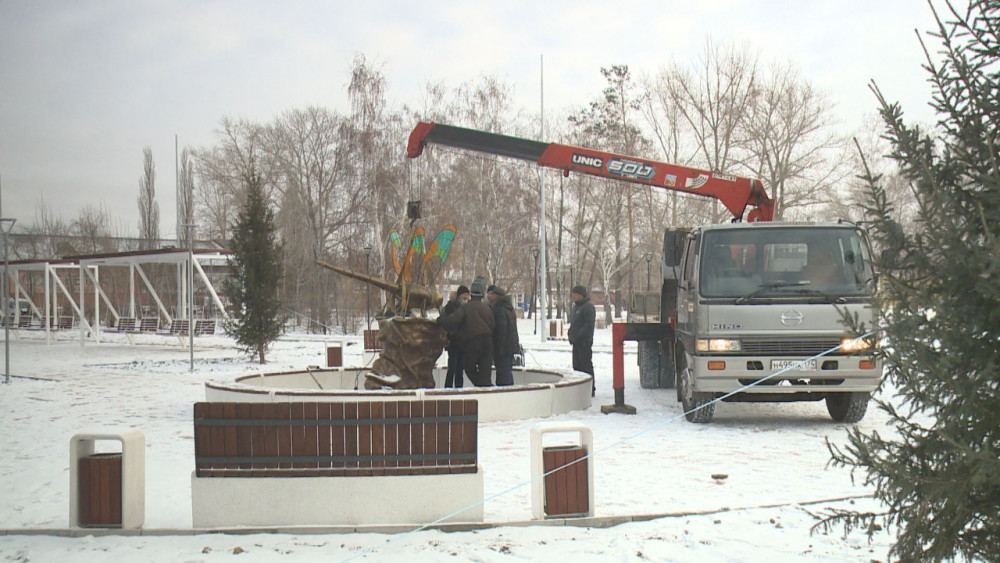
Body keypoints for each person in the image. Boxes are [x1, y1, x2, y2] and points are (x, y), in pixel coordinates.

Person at [437, 278, 494, 386]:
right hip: (488, 342)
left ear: (471, 294)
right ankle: (486, 389)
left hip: (474, 342)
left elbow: (453, 319)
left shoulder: (466, 308)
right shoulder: (487, 308)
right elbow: (493, 324)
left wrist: (440, 321)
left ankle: (480, 385)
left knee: (468, 367)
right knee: (485, 370)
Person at [487, 285, 519, 386]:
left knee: (503, 373)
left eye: (490, 294)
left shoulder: (499, 309)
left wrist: (498, 349)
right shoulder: (509, 308)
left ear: (496, 296)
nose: (488, 297)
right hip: (510, 346)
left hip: (503, 348)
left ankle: (505, 393)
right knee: (507, 372)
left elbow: (501, 331)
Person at [567, 284, 596, 394]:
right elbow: (574, 323)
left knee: (586, 366)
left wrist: (579, 336)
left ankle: (590, 389)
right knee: (577, 367)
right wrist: (570, 334)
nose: (573, 296)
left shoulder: (588, 307)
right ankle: (580, 389)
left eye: (575, 294)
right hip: (576, 342)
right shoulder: (576, 307)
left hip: (584, 343)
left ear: (581, 295)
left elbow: (588, 325)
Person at [441, 285, 470, 388]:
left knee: (460, 369)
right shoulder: (452, 306)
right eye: (464, 294)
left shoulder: (468, 307)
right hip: (453, 342)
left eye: (467, 294)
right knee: (452, 368)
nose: (466, 297)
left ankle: (459, 389)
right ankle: (447, 388)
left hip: (463, 343)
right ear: (459, 295)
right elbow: (449, 321)